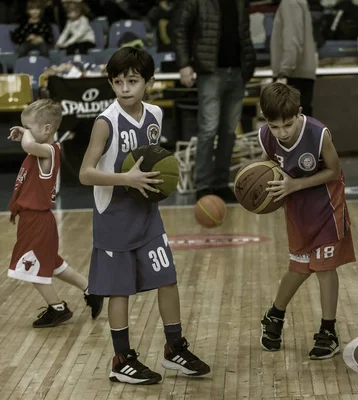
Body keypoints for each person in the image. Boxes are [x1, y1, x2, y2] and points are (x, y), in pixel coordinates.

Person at [79, 47, 210, 385]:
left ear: (149, 82)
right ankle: (121, 359)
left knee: (167, 278)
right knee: (118, 291)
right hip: (114, 219)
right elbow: (85, 174)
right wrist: (126, 179)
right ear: (111, 82)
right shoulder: (105, 123)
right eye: (118, 81)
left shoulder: (155, 115)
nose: (125, 88)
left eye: (133, 81)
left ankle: (175, 348)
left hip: (147, 214)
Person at [257, 83, 355, 360]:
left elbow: (334, 172)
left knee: (325, 268)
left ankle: (328, 330)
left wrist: (295, 185)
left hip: (327, 205)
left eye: (287, 125)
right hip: (297, 210)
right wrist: (257, 184)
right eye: (275, 126)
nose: (282, 132)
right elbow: (267, 166)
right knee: (299, 268)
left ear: (298, 113)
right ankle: (274, 315)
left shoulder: (318, 133)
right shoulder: (266, 136)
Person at [7, 99, 103, 328]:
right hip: (35, 219)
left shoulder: (49, 151)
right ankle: (91, 289)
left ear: (47, 129)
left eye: (30, 127)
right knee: (52, 263)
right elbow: (30, 145)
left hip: (37, 219)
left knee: (29, 269)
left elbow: (30, 146)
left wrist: (26, 135)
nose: (26, 133)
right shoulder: (43, 149)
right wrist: (28, 132)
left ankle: (57, 308)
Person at [172, 0, 256, 202]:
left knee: (229, 131)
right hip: (209, 72)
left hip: (237, 71)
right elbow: (179, 27)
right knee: (208, 129)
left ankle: (220, 184)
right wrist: (183, 64)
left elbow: (244, 33)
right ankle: (203, 185)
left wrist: (249, 65)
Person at [271, 0, 317, 117]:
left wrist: (284, 72)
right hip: (299, 73)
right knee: (303, 125)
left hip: (293, 75)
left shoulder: (290, 3)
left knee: (294, 127)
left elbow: (292, 39)